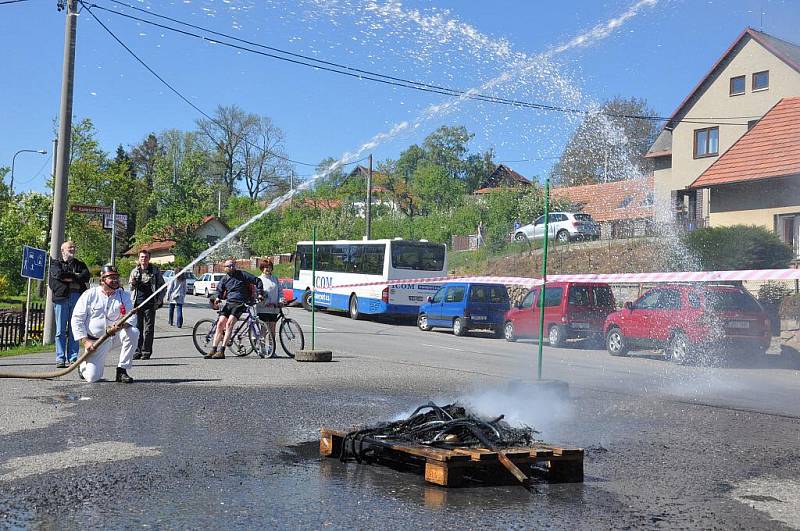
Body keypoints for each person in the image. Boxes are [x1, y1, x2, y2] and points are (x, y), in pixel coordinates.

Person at [71, 264, 138, 383]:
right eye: (111, 277)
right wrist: (85, 341)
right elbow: (77, 319)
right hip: (96, 342)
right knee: (92, 378)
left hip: (115, 337)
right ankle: (82, 366)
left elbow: (131, 318)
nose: (115, 280)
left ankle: (122, 370)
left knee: (133, 332)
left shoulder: (124, 295)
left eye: (116, 277)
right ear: (102, 280)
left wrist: (119, 327)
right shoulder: (89, 295)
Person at [207, 259, 263, 360]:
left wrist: (259, 293)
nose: (232, 267)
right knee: (220, 323)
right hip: (229, 303)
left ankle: (222, 351)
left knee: (229, 324)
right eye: (229, 266)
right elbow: (219, 291)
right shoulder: (224, 279)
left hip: (240, 303)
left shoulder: (242, 275)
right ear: (225, 268)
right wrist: (217, 298)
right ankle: (213, 349)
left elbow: (257, 281)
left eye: (233, 265)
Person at [49, 240, 90, 368]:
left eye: (73, 247)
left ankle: (73, 358)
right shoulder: (56, 264)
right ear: (63, 250)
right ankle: (60, 358)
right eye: (69, 247)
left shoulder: (80, 264)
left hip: (77, 297)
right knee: (60, 330)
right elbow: (58, 275)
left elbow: (86, 276)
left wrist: (69, 277)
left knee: (74, 329)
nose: (72, 249)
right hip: (62, 298)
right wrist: (75, 276)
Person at [128, 250, 164, 360]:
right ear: (139, 258)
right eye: (142, 257)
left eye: (146, 257)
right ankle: (137, 351)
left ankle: (146, 352)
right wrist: (133, 283)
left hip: (150, 303)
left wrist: (159, 300)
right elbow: (130, 288)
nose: (144, 259)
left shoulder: (155, 270)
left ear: (149, 258)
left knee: (149, 329)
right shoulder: (134, 271)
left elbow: (163, 286)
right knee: (137, 329)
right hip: (137, 303)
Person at [256, 259, 280, 357]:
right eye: (265, 267)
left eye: (269, 267)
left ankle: (271, 349)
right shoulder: (259, 279)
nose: (267, 269)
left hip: (274, 308)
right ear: (262, 268)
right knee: (264, 330)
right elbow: (258, 294)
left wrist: (281, 300)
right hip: (263, 308)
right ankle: (262, 349)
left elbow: (280, 291)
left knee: (272, 330)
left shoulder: (275, 279)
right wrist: (265, 302)